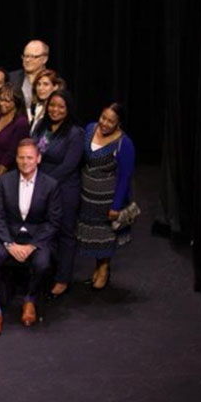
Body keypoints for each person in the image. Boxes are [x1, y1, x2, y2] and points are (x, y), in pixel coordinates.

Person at [0, 138, 62, 338]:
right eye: (21, 158)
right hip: (8, 236)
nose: (25, 162)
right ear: (16, 159)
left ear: (38, 159)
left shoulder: (51, 185)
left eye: (29, 157)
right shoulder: (4, 181)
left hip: (37, 238)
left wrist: (32, 246)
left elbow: (53, 222)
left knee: (43, 262)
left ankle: (30, 300)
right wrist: (9, 244)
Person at [76, 102, 137, 290]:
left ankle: (104, 268)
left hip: (107, 197)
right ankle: (97, 266)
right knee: (92, 233)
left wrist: (116, 206)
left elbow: (125, 176)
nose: (104, 123)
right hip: (87, 193)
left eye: (111, 121)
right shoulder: (89, 129)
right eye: (103, 118)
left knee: (105, 235)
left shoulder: (124, 143)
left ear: (118, 123)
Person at [32, 89, 85, 297]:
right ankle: (43, 272)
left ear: (68, 109)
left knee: (65, 233)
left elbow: (69, 165)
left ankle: (63, 278)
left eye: (60, 107)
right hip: (40, 186)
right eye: (52, 105)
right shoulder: (41, 127)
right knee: (43, 230)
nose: (55, 110)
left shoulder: (75, 133)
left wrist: (44, 183)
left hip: (64, 189)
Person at [0, 84, 30, 174]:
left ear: (16, 102)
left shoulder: (21, 122)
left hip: (8, 171)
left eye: (7, 101)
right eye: (1, 100)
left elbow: (12, 153)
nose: (2, 104)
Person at [8, 39, 50, 108]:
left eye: (33, 57)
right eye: (26, 56)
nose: (27, 60)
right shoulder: (11, 78)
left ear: (44, 59)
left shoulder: (53, 80)